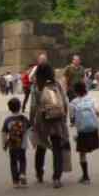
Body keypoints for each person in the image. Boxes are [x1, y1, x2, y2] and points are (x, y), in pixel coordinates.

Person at [29, 58, 69, 188]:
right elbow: (64, 101)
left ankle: (39, 173)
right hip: (57, 120)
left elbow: (33, 106)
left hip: (42, 120)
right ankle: (57, 177)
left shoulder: (36, 86)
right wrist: (64, 118)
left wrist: (31, 122)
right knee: (57, 148)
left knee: (41, 146)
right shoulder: (56, 85)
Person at [70, 81, 99, 185]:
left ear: (75, 91)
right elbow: (97, 112)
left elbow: (72, 119)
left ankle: (85, 176)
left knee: (82, 154)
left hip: (82, 131)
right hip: (93, 129)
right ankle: (85, 177)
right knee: (88, 149)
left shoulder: (73, 103)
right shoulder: (92, 99)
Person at [1, 97, 30, 189]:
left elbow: (4, 133)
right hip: (22, 144)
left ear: (9, 108)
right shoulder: (23, 118)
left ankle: (15, 181)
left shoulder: (7, 120)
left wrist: (4, 144)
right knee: (22, 159)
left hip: (12, 144)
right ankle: (22, 173)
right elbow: (30, 129)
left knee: (13, 162)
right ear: (20, 107)